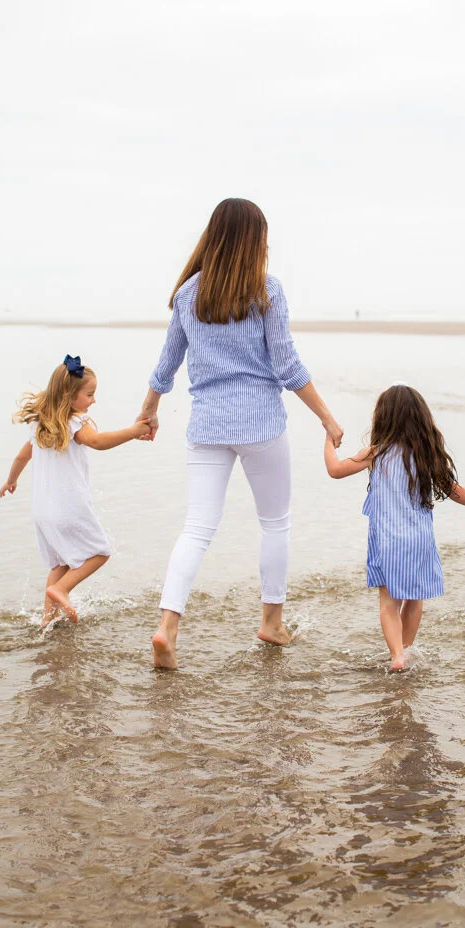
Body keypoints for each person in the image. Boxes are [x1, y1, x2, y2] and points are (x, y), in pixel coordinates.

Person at [137, 198, 343, 670]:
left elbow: (167, 363)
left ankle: (167, 628)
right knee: (274, 523)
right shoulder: (266, 290)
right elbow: (287, 365)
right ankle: (271, 622)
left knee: (197, 527)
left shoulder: (189, 294)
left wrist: (148, 412)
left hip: (207, 425)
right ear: (254, 241)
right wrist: (328, 419)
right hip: (261, 425)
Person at [323, 382, 465, 671]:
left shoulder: (376, 452)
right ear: (421, 419)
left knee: (388, 604)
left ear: (383, 418)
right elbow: (453, 490)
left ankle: (396, 656)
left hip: (387, 540)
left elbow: (335, 470)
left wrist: (328, 443)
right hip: (418, 540)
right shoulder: (425, 455)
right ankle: (404, 651)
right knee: (415, 600)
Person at [0, 355, 151, 625]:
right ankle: (61, 590)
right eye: (90, 394)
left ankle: (47, 621)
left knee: (59, 564)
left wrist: (11, 481)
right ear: (70, 396)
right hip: (68, 507)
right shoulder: (74, 424)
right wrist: (132, 431)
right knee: (99, 552)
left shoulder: (40, 425)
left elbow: (22, 457)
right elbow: (98, 442)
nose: (93, 400)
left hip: (42, 511)